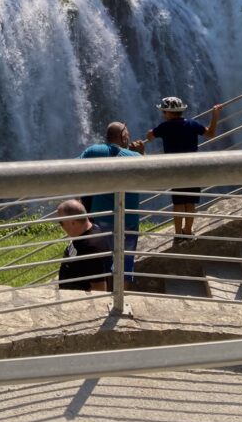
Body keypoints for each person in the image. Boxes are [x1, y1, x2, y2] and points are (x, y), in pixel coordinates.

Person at [146, 96, 222, 241]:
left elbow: (150, 136)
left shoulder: (164, 127)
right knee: (190, 202)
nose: (163, 114)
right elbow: (211, 133)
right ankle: (187, 231)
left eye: (163, 112)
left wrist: (150, 133)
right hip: (193, 168)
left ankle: (178, 234)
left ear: (168, 113)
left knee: (178, 202)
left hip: (175, 169)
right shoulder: (192, 124)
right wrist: (215, 114)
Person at [79, 121, 144, 283]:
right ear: (123, 137)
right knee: (125, 265)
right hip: (128, 221)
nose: (129, 138)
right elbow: (148, 176)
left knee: (102, 262)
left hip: (101, 218)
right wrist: (141, 154)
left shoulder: (93, 151)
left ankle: (105, 294)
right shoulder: (134, 157)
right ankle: (121, 296)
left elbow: (72, 168)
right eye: (128, 135)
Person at [56, 199, 112, 292]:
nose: (60, 226)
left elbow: (99, 289)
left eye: (61, 223)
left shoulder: (93, 248)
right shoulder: (83, 234)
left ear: (73, 222)